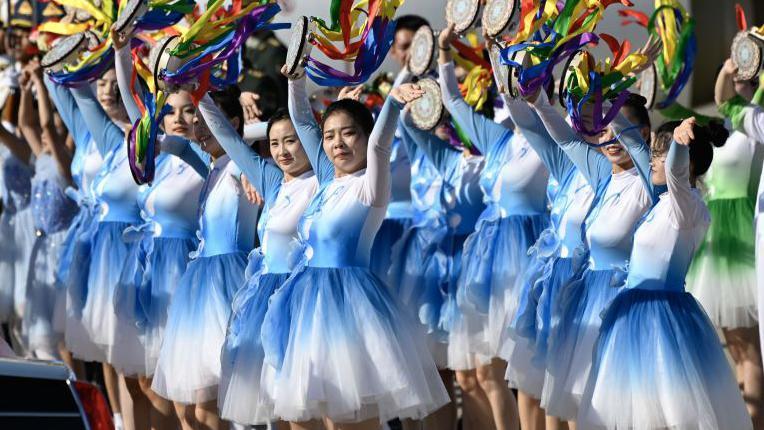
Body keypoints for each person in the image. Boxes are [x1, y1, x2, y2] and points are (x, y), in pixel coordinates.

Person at [258, 76, 448, 429]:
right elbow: (302, 120)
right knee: (307, 416)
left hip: (350, 310)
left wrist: (392, 101)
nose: (336, 143)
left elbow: (379, 146)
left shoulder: (369, 187)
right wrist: (295, 77)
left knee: (351, 420)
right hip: (306, 310)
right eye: (329, 135)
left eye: (348, 133)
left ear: (364, 135)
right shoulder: (328, 183)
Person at [577, 118, 752, 429]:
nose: (653, 159)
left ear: (688, 161)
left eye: (662, 153)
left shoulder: (688, 207)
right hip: (631, 316)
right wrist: (608, 102)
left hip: (661, 323)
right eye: (655, 152)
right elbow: (633, 140)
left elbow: (675, 173)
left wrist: (680, 146)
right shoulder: (662, 203)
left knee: (666, 417)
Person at [529, 88, 654, 424]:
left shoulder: (648, 182)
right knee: (583, 410)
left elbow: (640, 152)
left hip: (625, 308)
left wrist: (610, 106)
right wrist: (537, 100)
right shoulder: (602, 176)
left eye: (617, 126)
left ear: (642, 134)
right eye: (602, 127)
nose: (609, 135)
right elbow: (568, 142)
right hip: (586, 301)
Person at [111, 28, 206, 430]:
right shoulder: (161, 154)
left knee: (175, 387)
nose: (181, 119)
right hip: (147, 270)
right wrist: (121, 51)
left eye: (190, 110)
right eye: (173, 111)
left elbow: (251, 139)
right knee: (141, 380)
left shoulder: (208, 158)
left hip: (182, 271)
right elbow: (135, 108)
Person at [151, 86, 258, 430]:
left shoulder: (243, 167)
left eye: (208, 121)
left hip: (230, 283)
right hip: (200, 285)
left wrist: (200, 84)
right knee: (199, 409)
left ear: (232, 124)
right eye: (197, 122)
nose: (200, 129)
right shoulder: (211, 166)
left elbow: (251, 165)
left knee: (217, 406)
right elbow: (174, 142)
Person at [213, 99, 317, 428]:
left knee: (303, 409)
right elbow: (229, 138)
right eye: (274, 143)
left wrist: (296, 85)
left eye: (291, 140)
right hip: (265, 300)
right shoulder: (272, 180)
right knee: (276, 408)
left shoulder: (321, 179)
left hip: (302, 300)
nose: (283, 150)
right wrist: (198, 92)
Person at [689, 59, 764, 426]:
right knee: (733, 346)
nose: (737, 81)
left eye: (744, 77)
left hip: (739, 238)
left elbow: (724, 99)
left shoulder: (755, 122)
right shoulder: (724, 128)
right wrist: (726, 66)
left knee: (748, 348)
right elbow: (721, 98)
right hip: (714, 239)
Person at [17, 58, 78, 360]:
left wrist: (41, 82)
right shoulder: (41, 159)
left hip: (61, 251)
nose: (44, 135)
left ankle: (78, 393)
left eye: (52, 131)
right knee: (42, 337)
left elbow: (42, 125)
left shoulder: (65, 165)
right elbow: (26, 125)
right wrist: (26, 88)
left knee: (64, 341)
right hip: (41, 248)